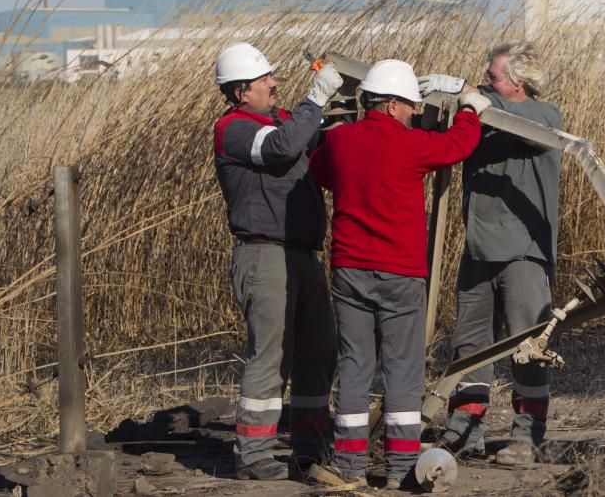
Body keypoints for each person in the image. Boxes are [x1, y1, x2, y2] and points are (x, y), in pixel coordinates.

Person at [309, 59, 489, 489]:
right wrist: (469, 105)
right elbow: (458, 145)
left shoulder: (340, 143)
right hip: (400, 274)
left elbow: (320, 170)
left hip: (349, 270)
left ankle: (348, 468)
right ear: (391, 105)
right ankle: (399, 471)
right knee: (403, 372)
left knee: (354, 367)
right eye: (409, 105)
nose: (414, 111)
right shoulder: (411, 146)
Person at [418, 41, 562, 466]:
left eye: (493, 76)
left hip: (523, 253)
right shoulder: (481, 117)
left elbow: (524, 121)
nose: (485, 79)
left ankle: (528, 435)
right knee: (469, 346)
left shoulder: (543, 116)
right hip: (479, 250)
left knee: (529, 345)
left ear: (518, 82)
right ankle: (465, 427)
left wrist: (474, 99)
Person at [212, 42, 343, 481]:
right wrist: (316, 97)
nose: (274, 83)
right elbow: (284, 148)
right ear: (241, 92)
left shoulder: (279, 119)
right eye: (265, 79)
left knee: (318, 351)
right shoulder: (234, 129)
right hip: (264, 255)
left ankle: (309, 448)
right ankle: (253, 456)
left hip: (302, 255)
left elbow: (315, 137)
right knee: (271, 357)